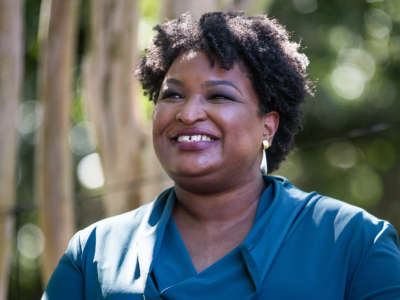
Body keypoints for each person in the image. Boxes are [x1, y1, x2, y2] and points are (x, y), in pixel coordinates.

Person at [42, 12, 400, 299]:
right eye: (173, 95)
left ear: (268, 127)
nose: (188, 113)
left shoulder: (355, 244)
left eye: (219, 97)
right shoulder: (94, 253)